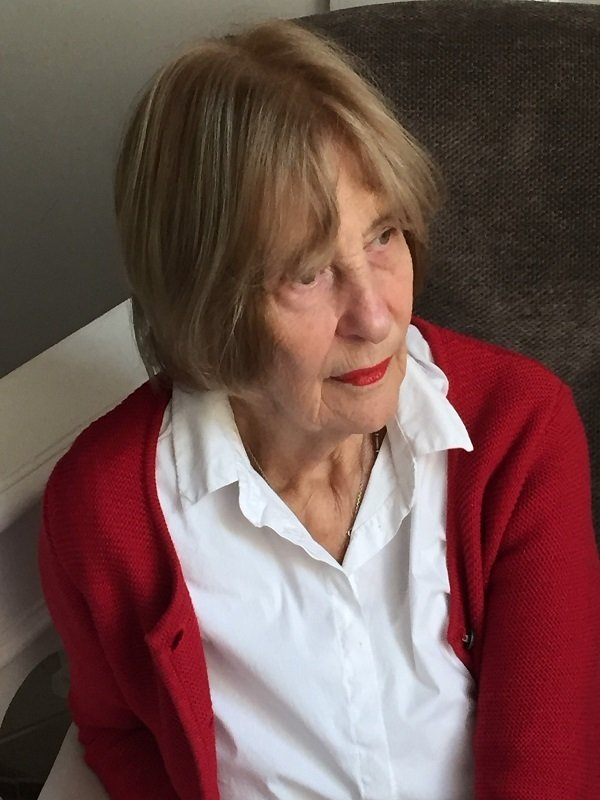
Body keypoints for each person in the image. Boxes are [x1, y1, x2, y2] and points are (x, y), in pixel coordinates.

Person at [39, 18, 599, 800]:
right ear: (206, 301)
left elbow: (550, 760)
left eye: (383, 235)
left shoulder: (519, 432)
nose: (377, 316)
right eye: (306, 274)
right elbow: (119, 733)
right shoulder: (104, 512)